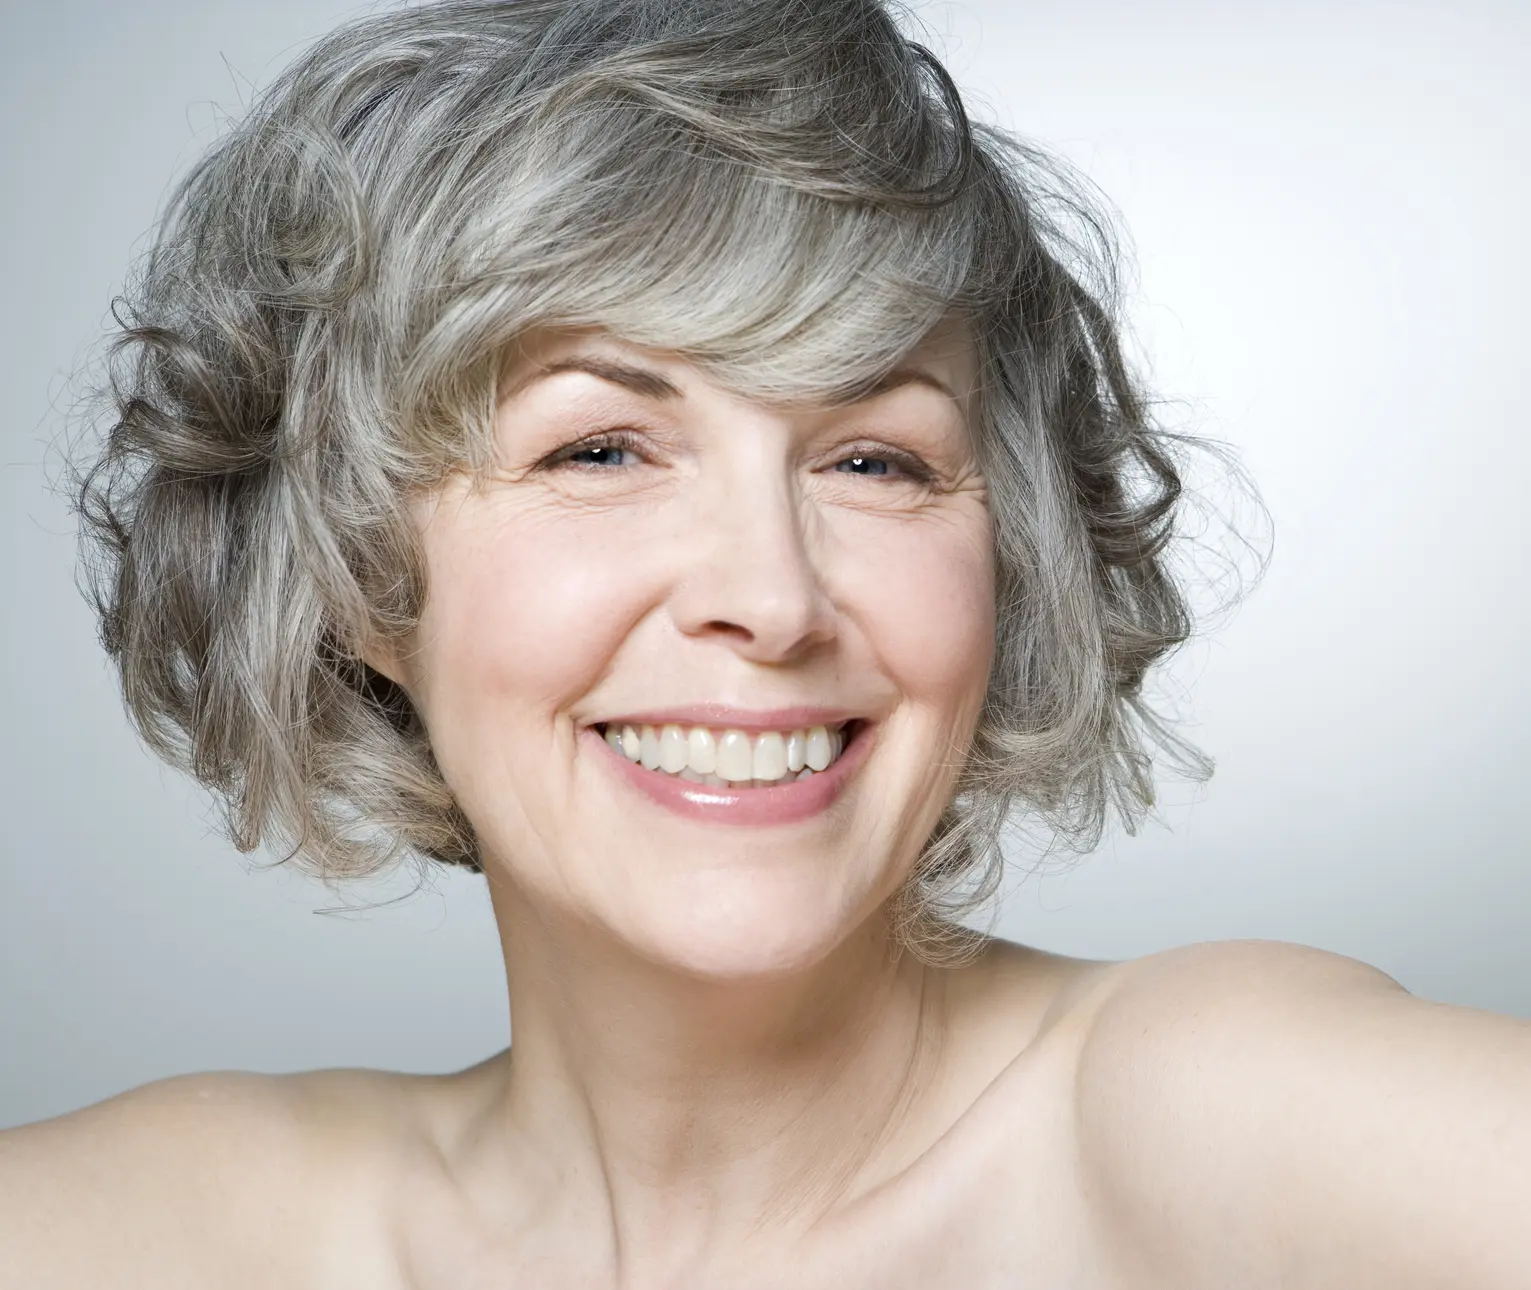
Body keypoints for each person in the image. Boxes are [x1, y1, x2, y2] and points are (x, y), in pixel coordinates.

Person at [3, 1, 1527, 1286]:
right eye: (599, 450)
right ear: (356, 576)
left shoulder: (1202, 1108)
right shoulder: (162, 1233)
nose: (773, 596)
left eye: (875, 460)